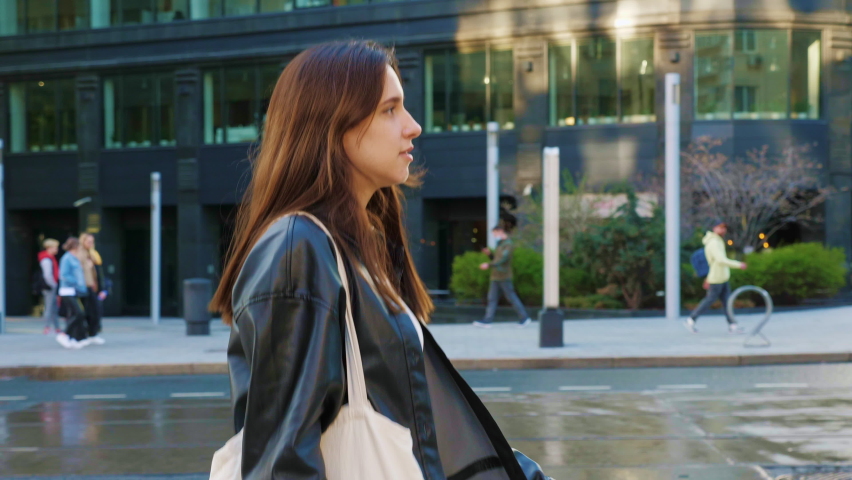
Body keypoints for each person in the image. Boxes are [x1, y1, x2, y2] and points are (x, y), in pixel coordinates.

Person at [210, 41, 551, 479]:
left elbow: (421, 432)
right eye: (390, 109)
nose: (414, 127)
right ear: (332, 124)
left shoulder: (353, 249)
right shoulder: (299, 250)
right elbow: (281, 464)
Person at [685, 220, 747, 334]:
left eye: (724, 227)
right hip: (717, 278)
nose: (723, 230)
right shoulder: (714, 242)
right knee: (710, 300)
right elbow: (720, 260)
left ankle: (732, 325)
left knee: (727, 301)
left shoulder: (717, 241)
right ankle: (691, 319)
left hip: (722, 277)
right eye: (720, 227)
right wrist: (739, 264)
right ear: (714, 228)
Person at [473, 225, 532, 328]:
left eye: (495, 233)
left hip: (504, 276)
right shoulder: (500, 244)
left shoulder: (508, 245)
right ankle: (488, 320)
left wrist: (488, 265)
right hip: (495, 276)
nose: (494, 235)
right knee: (492, 298)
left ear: (500, 231)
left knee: (511, 297)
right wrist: (489, 254)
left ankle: (524, 318)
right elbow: (496, 259)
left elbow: (503, 260)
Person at [56, 237, 89, 349]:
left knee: (74, 314)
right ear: (75, 246)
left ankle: (72, 338)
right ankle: (64, 334)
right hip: (67, 290)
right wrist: (76, 283)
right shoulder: (67, 258)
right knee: (78, 313)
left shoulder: (74, 258)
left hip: (73, 290)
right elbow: (64, 275)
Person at [79, 233, 108, 345]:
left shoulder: (93, 253)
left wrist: (102, 288)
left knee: (96, 311)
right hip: (85, 286)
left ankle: (92, 333)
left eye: (92, 241)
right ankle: (86, 334)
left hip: (94, 287)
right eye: (88, 241)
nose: (91, 244)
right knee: (87, 312)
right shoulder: (80, 254)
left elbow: (98, 273)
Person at [38, 238, 61, 334]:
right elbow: (48, 275)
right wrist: (54, 285)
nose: (57, 249)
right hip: (50, 287)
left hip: (51, 286)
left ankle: (56, 327)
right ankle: (47, 327)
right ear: (49, 248)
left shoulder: (50, 258)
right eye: (55, 247)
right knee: (49, 307)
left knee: (54, 307)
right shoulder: (46, 259)